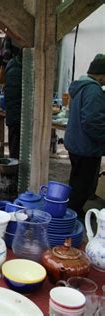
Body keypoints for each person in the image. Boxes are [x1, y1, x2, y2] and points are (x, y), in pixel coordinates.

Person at [64, 53, 105, 216]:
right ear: (101, 75)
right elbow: (92, 121)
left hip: (76, 144)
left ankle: (72, 211)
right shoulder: (93, 91)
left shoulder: (81, 86)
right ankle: (72, 217)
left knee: (77, 182)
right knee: (83, 186)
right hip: (85, 147)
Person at [4, 51, 23, 159]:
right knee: (17, 144)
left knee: (14, 143)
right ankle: (15, 172)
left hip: (12, 112)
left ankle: (13, 169)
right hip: (17, 113)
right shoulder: (18, 70)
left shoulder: (12, 66)